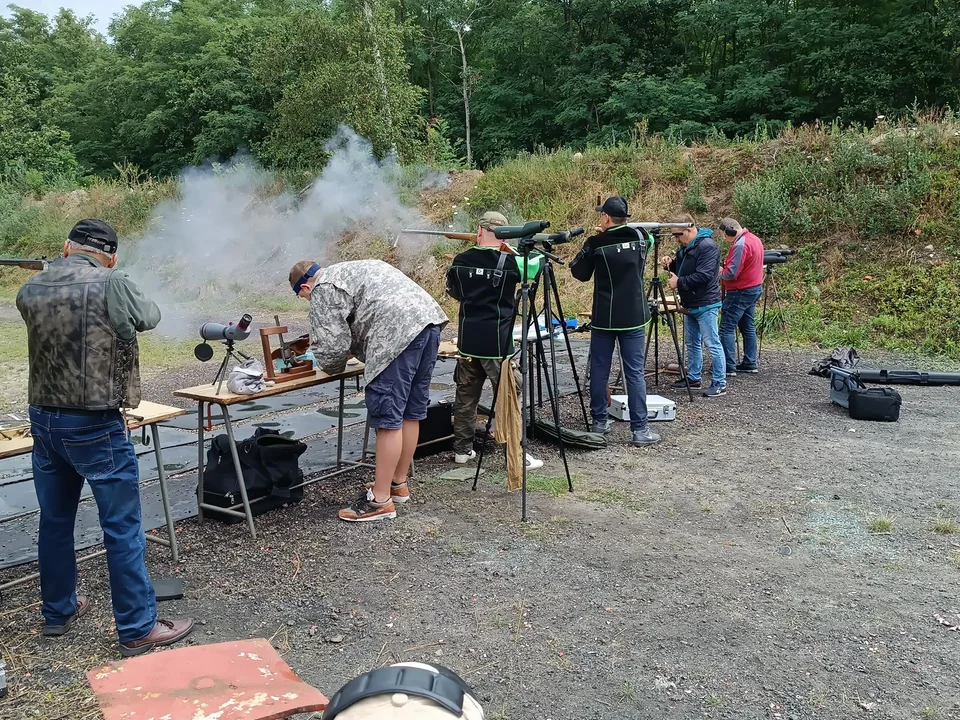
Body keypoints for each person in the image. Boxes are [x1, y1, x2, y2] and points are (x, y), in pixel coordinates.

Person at [16, 218, 194, 657]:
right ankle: (136, 627)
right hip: (94, 422)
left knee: (54, 521)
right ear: (111, 256)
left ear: (66, 247)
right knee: (122, 527)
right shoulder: (113, 282)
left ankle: (57, 610)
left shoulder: (29, 289)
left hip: (42, 418)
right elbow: (148, 317)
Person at [289, 258, 448, 522]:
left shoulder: (322, 287)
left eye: (302, 297)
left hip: (395, 336)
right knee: (410, 411)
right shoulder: (353, 269)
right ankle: (398, 484)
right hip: (427, 323)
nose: (307, 300)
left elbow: (330, 350)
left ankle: (380, 501)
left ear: (305, 287)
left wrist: (328, 364)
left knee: (388, 418)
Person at [445, 211, 543, 470]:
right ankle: (515, 455)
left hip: (468, 341)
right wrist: (509, 248)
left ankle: (462, 451)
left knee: (466, 399)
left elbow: (455, 291)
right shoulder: (512, 262)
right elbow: (539, 261)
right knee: (509, 397)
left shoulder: (460, 260)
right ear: (503, 235)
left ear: (479, 231)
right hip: (497, 344)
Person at [570, 196, 660, 446]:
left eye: (602, 215)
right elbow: (650, 238)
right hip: (633, 315)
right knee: (635, 373)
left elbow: (579, 272)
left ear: (607, 218)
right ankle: (640, 430)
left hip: (605, 316)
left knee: (600, 370)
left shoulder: (596, 243)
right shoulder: (642, 238)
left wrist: (597, 239)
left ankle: (599, 421)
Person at [660, 215, 726, 397]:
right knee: (692, 343)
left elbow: (704, 276)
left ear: (689, 229)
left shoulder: (708, 247)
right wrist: (670, 264)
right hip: (690, 303)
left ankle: (720, 382)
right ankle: (693, 377)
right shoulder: (685, 247)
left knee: (712, 343)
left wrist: (679, 282)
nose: (676, 239)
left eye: (678, 235)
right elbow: (682, 269)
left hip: (706, 303)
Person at [718, 217, 765, 375]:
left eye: (725, 235)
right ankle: (750, 362)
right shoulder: (755, 239)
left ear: (731, 230)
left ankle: (727, 366)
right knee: (747, 327)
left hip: (740, 291)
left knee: (726, 328)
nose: (725, 239)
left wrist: (719, 272)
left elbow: (731, 273)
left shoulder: (740, 245)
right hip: (753, 288)